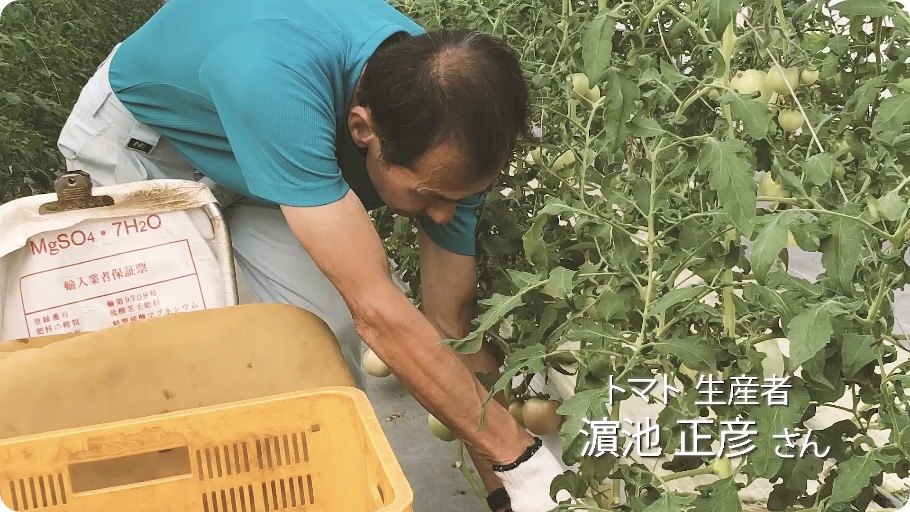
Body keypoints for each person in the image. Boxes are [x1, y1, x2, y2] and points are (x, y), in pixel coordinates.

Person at [55, 0, 571, 511]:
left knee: (318, 341)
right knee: (177, 363)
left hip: (265, 152)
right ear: (363, 129)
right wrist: (523, 459)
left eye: (460, 196)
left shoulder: (453, 131)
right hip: (151, 145)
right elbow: (377, 311)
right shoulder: (277, 81)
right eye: (429, 195)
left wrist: (508, 491)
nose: (444, 214)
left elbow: (450, 323)